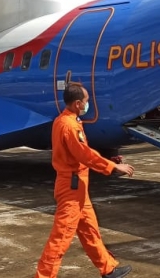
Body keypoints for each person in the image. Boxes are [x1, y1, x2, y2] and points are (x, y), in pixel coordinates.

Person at [36, 84, 135, 278]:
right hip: (71, 188)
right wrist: (112, 167)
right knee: (61, 237)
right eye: (86, 101)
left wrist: (110, 161)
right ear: (77, 103)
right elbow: (84, 154)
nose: (88, 104)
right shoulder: (70, 125)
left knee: (90, 230)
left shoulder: (65, 120)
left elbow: (78, 153)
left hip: (78, 186)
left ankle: (108, 269)